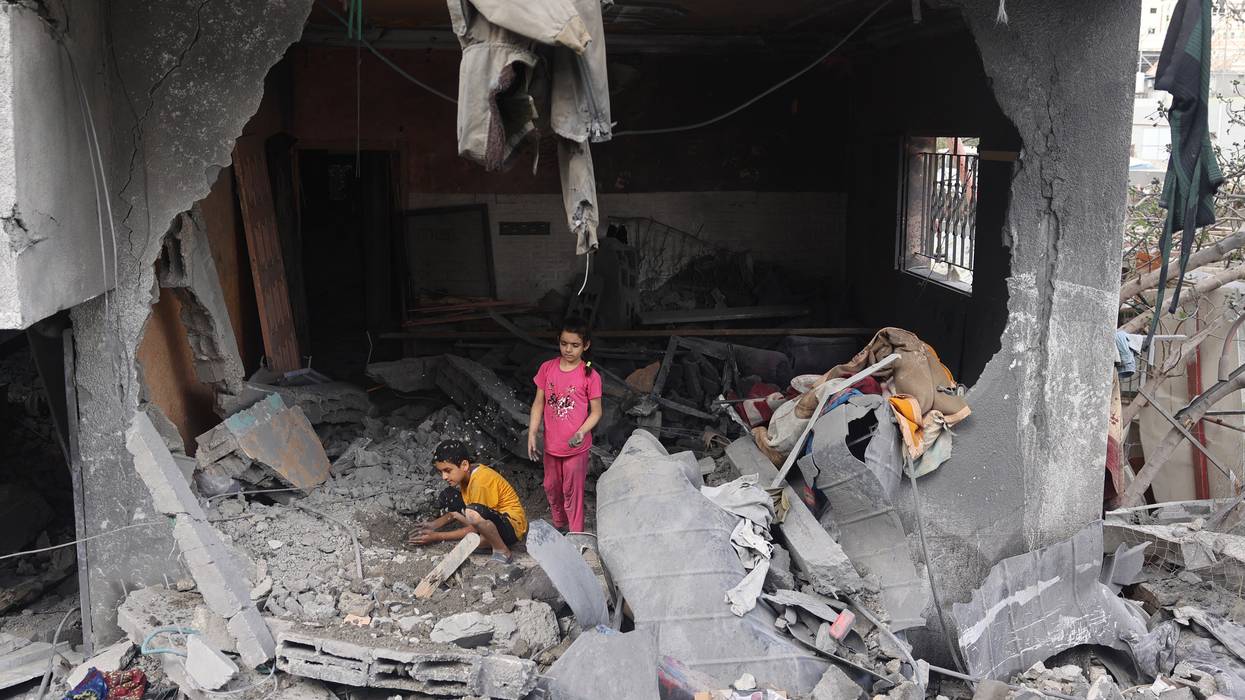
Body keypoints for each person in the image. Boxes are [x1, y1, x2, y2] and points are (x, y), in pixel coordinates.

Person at [528, 316, 603, 533]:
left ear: (586, 345)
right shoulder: (547, 368)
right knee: (551, 487)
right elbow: (538, 403)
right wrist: (533, 433)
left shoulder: (590, 375)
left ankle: (576, 533)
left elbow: (597, 412)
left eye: (575, 345)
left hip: (575, 447)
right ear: (558, 341)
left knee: (573, 491)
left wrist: (581, 432)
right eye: (563, 343)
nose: (568, 349)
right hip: (552, 445)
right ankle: (560, 526)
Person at [406, 439, 528, 564]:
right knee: (449, 496)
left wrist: (437, 537)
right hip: (490, 517)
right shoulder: (467, 475)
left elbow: (474, 525)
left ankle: (501, 550)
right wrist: (433, 525)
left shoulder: (480, 483)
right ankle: (482, 541)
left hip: (512, 527)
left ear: (464, 465)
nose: (444, 477)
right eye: (441, 472)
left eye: (447, 471)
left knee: (472, 524)